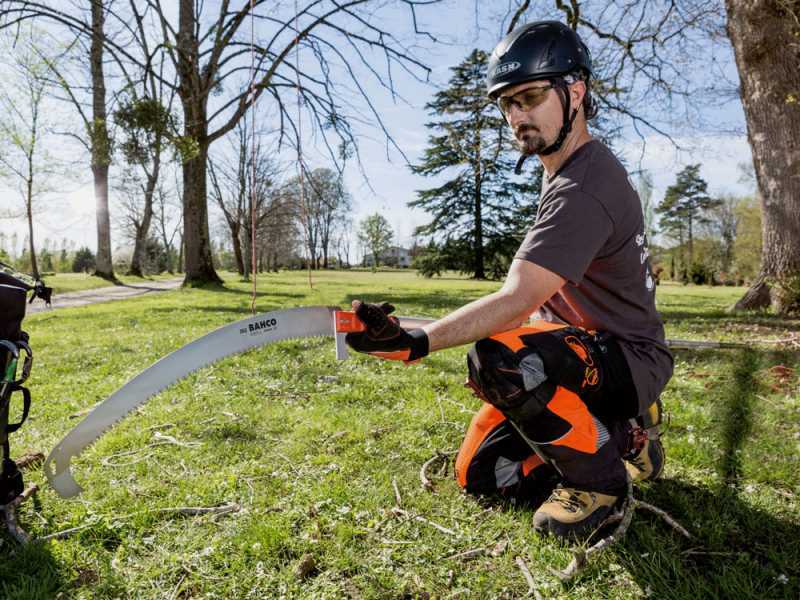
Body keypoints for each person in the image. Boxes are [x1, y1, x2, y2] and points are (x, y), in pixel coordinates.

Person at [346, 21, 673, 540]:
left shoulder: (583, 188)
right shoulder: (567, 171)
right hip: (582, 351)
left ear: (576, 92)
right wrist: (406, 329)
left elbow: (517, 299)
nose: (517, 116)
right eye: (507, 104)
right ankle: (625, 433)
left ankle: (602, 483)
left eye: (531, 97)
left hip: (625, 359)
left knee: (499, 358)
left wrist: (417, 342)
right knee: (482, 477)